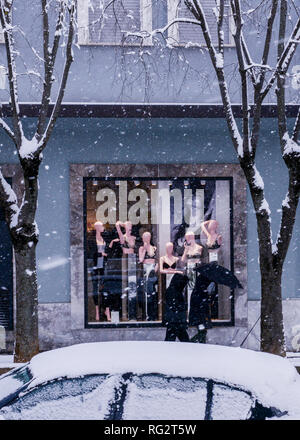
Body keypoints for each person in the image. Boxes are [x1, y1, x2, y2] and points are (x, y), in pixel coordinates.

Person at [90, 221, 110, 322]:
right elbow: (91, 254)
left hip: (103, 267)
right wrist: (101, 254)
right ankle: (97, 310)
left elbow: (108, 252)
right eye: (101, 226)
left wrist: (105, 253)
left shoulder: (104, 239)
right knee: (95, 289)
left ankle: (106, 310)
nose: (103, 228)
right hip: (95, 267)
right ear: (97, 228)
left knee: (105, 288)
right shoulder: (92, 240)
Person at [163, 273, 190, 342]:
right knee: (183, 340)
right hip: (176, 320)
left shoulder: (173, 290)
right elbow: (174, 306)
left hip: (174, 320)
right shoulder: (175, 291)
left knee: (171, 339)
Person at [139, 231, 158, 321]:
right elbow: (141, 259)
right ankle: (147, 314)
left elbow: (157, 260)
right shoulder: (141, 248)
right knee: (147, 292)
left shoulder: (154, 248)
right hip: (146, 268)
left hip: (152, 270)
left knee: (153, 291)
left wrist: (155, 269)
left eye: (148, 237)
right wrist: (145, 249)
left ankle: (153, 313)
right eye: (145, 237)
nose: (147, 239)